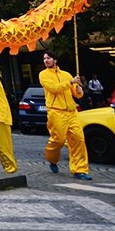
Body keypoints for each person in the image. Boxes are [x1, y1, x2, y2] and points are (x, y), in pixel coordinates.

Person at [40, 50, 91, 180]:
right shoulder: (43, 75)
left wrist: (79, 89)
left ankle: (80, 170)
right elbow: (54, 88)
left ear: (55, 60)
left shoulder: (66, 74)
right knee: (59, 140)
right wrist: (70, 82)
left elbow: (76, 94)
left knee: (78, 139)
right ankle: (51, 158)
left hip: (71, 111)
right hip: (55, 111)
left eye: (49, 58)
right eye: (45, 58)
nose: (46, 60)